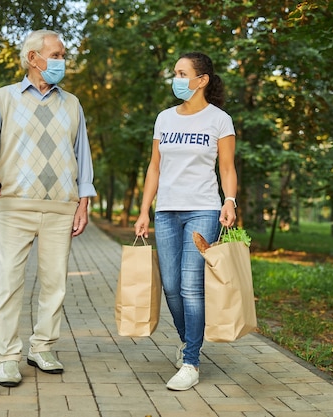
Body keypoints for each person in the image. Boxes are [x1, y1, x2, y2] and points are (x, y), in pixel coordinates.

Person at [0, 29, 97, 388]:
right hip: (14, 205)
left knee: (55, 283)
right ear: (33, 58)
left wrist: (83, 201)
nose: (62, 61)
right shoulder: (2, 98)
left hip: (61, 205)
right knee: (10, 282)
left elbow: (82, 156)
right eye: (55, 55)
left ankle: (42, 347)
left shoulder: (72, 104)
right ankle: (8, 357)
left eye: (63, 55)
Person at [134, 52, 238, 391]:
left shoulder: (219, 120)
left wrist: (230, 201)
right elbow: (154, 167)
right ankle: (187, 342)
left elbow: (226, 168)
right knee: (171, 286)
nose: (176, 79)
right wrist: (144, 209)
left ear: (202, 80)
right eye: (175, 73)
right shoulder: (164, 119)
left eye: (182, 73)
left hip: (203, 210)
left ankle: (191, 362)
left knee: (191, 287)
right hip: (165, 211)